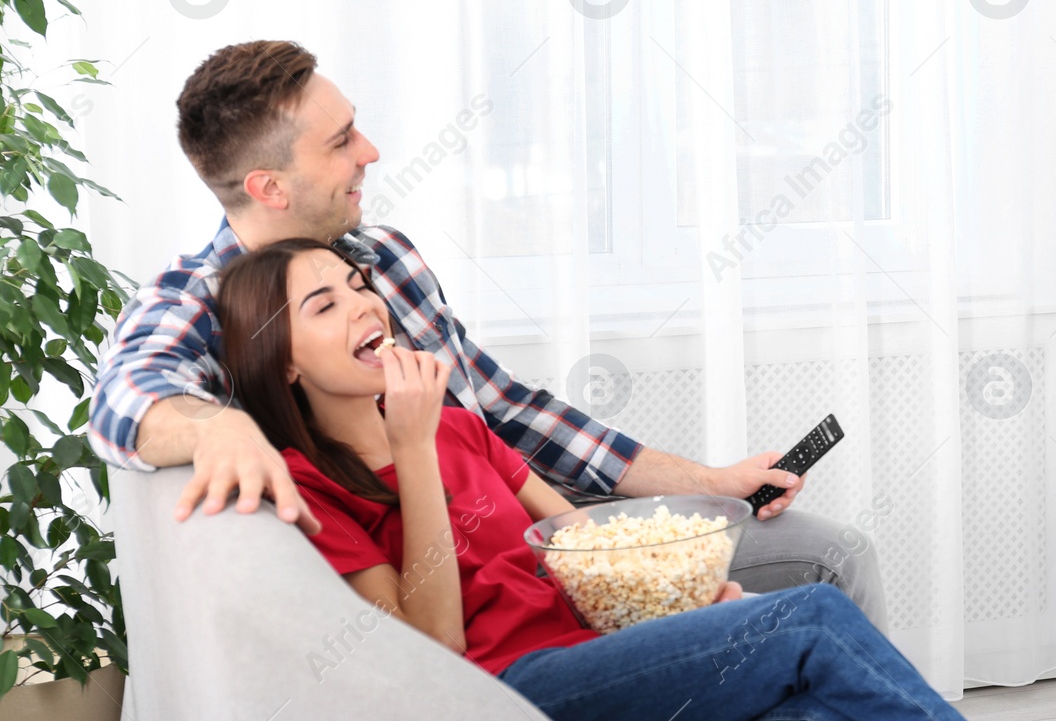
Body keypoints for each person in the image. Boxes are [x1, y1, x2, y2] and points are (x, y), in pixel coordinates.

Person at [88, 40, 884, 624]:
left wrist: (708, 485)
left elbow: (508, 411)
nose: (371, 151)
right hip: (465, 584)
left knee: (823, 566)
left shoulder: (382, 255)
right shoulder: (207, 299)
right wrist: (217, 423)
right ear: (269, 185)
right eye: (341, 142)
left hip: (538, 525)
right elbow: (124, 396)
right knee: (821, 583)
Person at [214, 237, 955, 719]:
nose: (365, 303)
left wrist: (683, 605)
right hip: (507, 688)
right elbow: (432, 648)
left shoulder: (457, 425)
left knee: (813, 709)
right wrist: (410, 449)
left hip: (589, 651)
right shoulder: (311, 489)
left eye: (356, 284)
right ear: (283, 361)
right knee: (813, 616)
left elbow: (580, 541)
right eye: (325, 304)